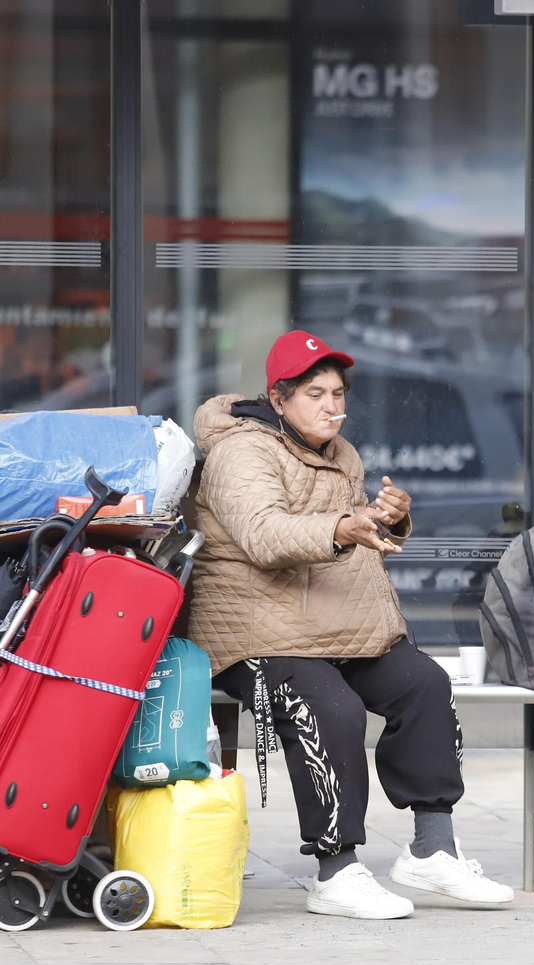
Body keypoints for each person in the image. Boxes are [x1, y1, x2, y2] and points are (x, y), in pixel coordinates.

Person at [190, 329, 513, 920]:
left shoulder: (342, 454)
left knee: (424, 686)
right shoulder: (242, 452)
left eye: (338, 393)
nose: (333, 406)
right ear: (279, 398)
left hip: (336, 624)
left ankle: (431, 851)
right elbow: (264, 537)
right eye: (315, 394)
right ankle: (335, 870)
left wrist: (389, 518)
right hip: (253, 631)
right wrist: (343, 527)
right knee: (332, 710)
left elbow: (353, 530)